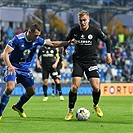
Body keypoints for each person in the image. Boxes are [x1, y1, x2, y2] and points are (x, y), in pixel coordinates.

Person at [0, 23, 71, 120]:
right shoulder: (17, 39)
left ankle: (18, 106)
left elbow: (53, 44)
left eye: (38, 35)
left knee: (32, 91)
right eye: (36, 35)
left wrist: (68, 43)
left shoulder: (37, 40)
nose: (38, 37)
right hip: (13, 67)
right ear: (29, 32)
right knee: (10, 88)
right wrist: (10, 66)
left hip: (24, 69)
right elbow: (5, 53)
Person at [61, 10, 112, 120]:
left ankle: (95, 105)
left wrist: (108, 55)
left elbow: (107, 40)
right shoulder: (74, 30)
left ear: (88, 19)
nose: (83, 22)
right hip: (78, 61)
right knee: (74, 87)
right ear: (78, 21)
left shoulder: (95, 31)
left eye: (84, 20)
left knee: (96, 87)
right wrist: (64, 49)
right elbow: (67, 39)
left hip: (91, 61)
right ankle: (70, 111)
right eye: (81, 20)